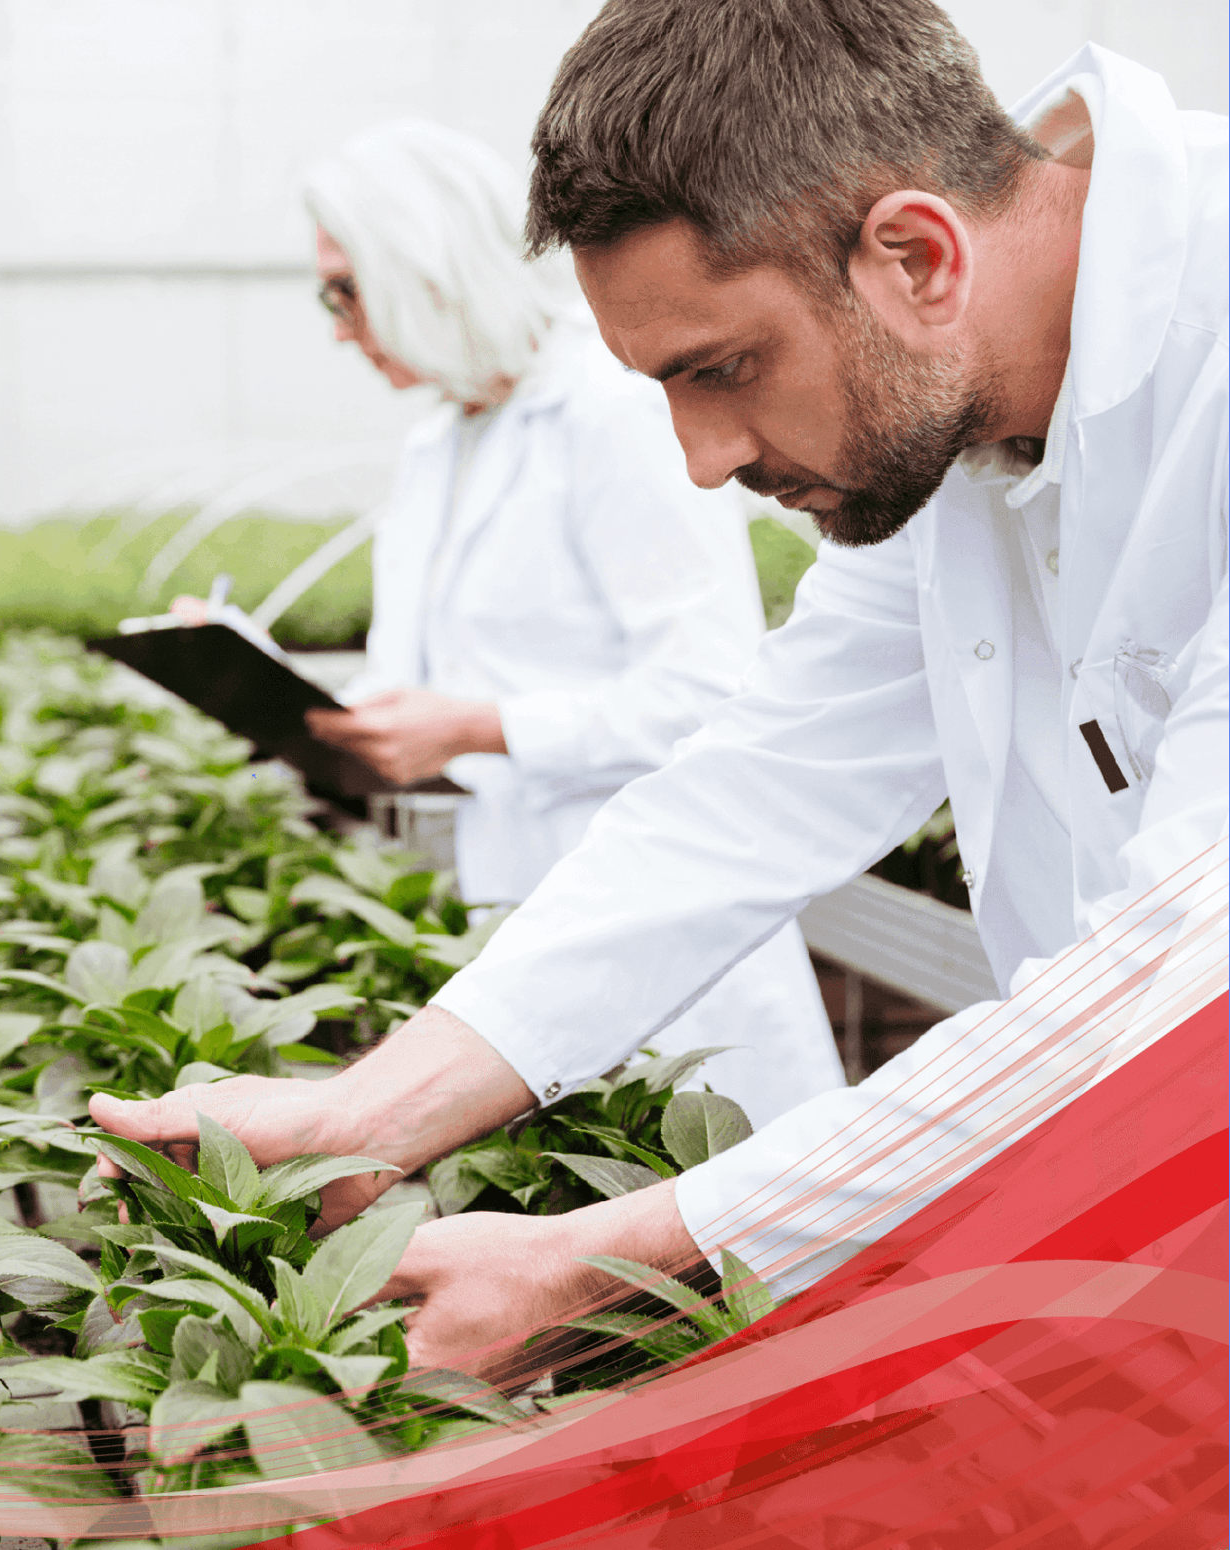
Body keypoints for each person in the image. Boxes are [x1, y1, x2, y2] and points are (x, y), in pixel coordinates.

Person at [92, 0, 1227, 1383]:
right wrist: (373, 1107)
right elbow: (751, 782)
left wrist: (609, 1258)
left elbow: (1174, 989)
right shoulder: (950, 408)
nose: (699, 459)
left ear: (918, 257)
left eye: (721, 370)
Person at [191, 120, 844, 1126]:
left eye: (343, 289)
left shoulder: (613, 410)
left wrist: (472, 727)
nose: (335, 325)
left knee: (715, 1238)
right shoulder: (439, 445)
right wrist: (264, 683)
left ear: (424, 268)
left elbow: (708, 690)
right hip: (517, 915)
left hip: (660, 915)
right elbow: (426, 681)